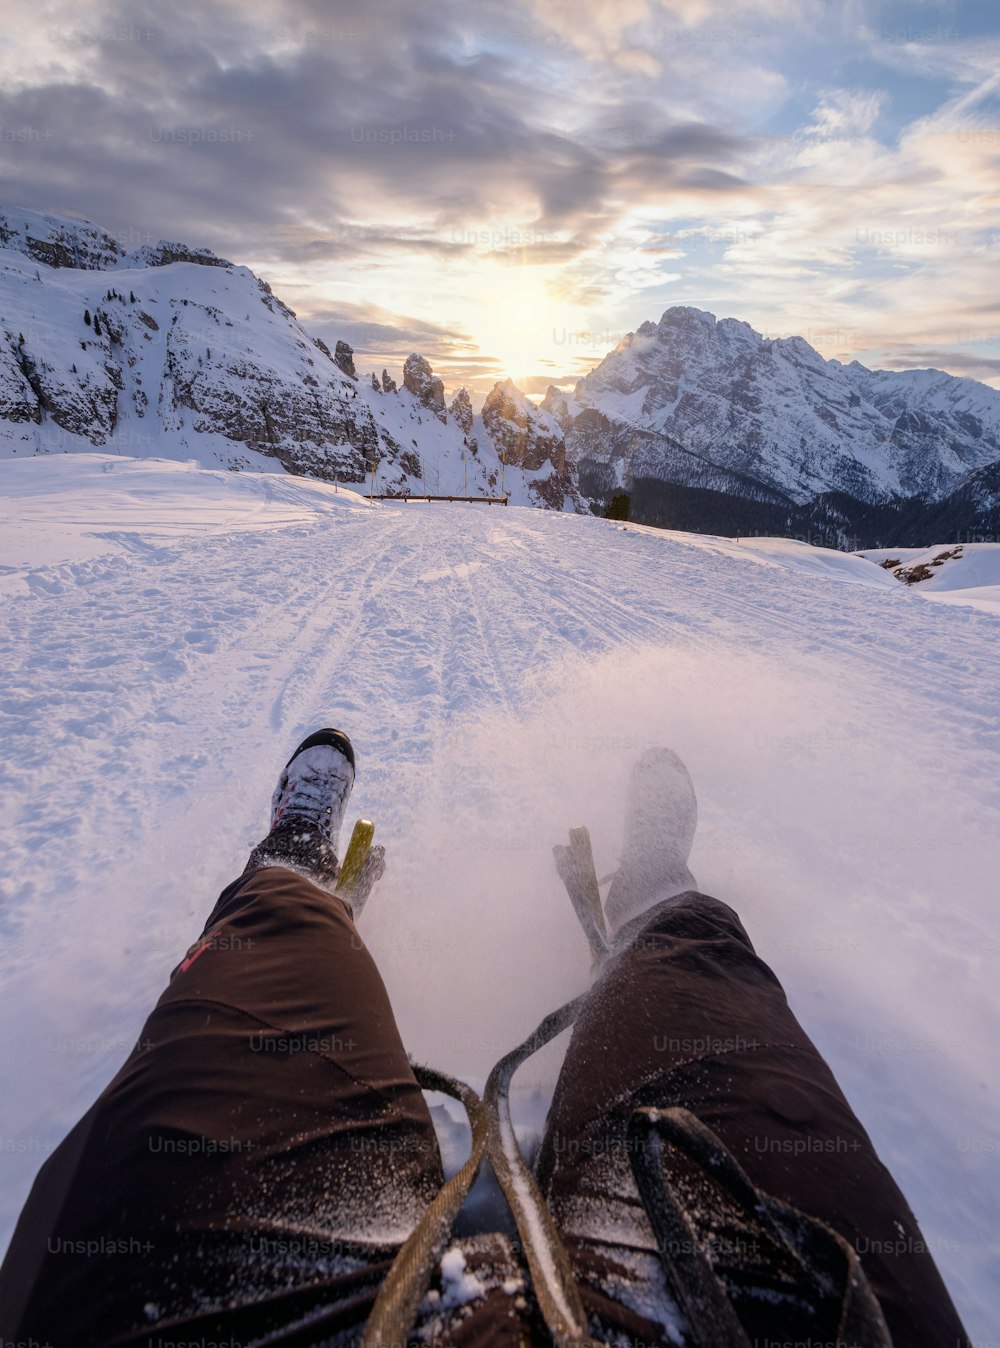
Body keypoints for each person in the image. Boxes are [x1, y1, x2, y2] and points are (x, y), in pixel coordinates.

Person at [0, 730, 968, 1347]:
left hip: (237, 1315)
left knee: (256, 964)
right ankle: (661, 890)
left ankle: (292, 866)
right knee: (708, 973)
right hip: (759, 1314)